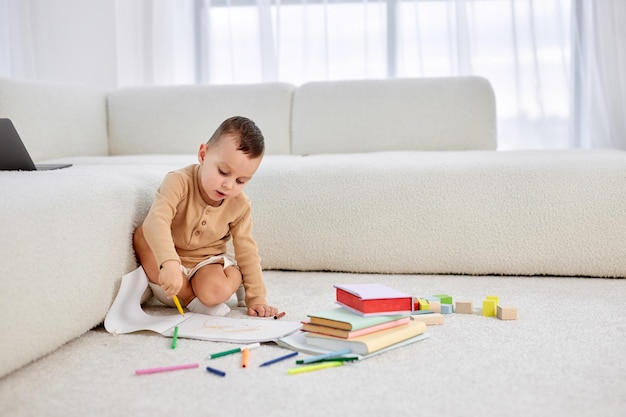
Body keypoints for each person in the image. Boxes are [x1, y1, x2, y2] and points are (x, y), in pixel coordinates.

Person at [133, 116, 278, 317]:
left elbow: (247, 250)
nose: (228, 185)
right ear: (203, 154)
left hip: (207, 263)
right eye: (223, 172)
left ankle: (236, 276)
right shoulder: (178, 181)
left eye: (241, 181)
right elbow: (157, 220)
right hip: (170, 260)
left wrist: (257, 297)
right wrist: (170, 262)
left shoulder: (240, 205)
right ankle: (191, 300)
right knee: (142, 235)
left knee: (213, 292)